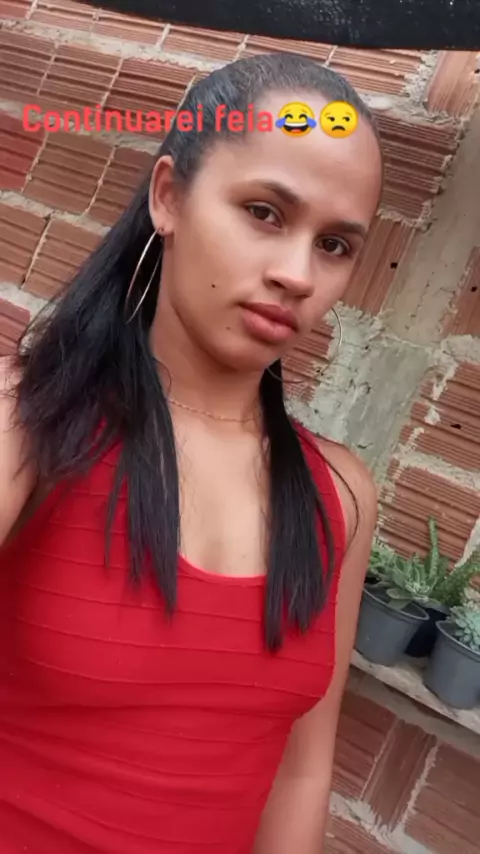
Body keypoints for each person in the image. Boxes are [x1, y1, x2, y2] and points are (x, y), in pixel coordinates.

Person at [0, 51, 382, 853]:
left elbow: (300, 773)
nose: (296, 274)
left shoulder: (340, 498)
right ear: (169, 197)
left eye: (334, 245)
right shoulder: (30, 422)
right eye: (265, 212)